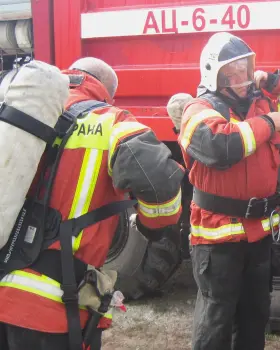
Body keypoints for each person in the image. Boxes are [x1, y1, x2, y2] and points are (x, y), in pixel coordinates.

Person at [0, 57, 185, 349]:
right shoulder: (111, 120)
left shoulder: (23, 111)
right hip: (51, 307)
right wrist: (153, 226)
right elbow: (158, 180)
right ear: (107, 92)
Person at [178, 32, 280, 350]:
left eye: (245, 69)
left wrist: (273, 79)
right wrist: (269, 123)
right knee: (216, 322)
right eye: (233, 72)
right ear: (214, 75)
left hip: (259, 235)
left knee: (254, 319)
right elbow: (221, 146)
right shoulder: (198, 109)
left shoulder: (262, 103)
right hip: (217, 241)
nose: (242, 78)